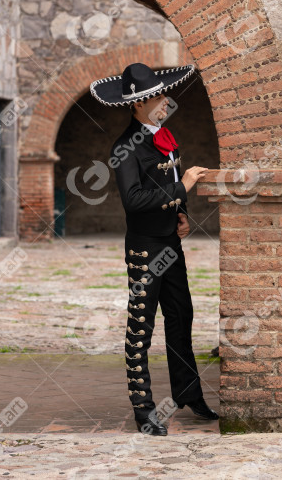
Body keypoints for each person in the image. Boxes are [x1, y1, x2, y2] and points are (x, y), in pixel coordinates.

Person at [90, 62, 217, 436]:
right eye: (156, 97)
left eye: (162, 94)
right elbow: (133, 199)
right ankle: (143, 408)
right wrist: (184, 188)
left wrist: (182, 213)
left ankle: (188, 393)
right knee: (140, 328)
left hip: (170, 243)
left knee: (181, 316)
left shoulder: (165, 135)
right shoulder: (125, 147)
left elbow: (170, 177)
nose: (165, 101)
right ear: (137, 105)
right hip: (145, 249)